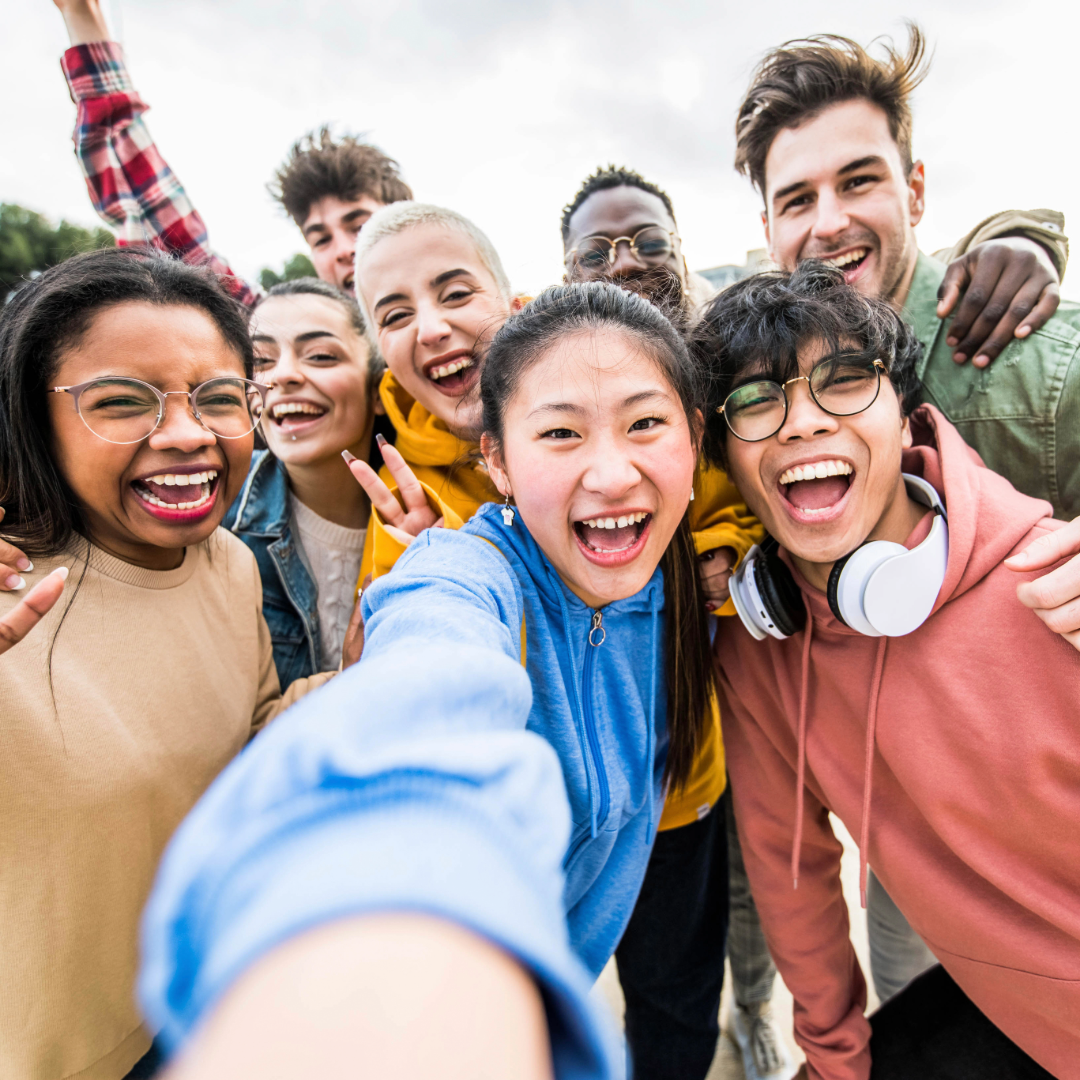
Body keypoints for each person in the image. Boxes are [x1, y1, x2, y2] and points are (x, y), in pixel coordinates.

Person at [139, 281, 716, 1077]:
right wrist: (382, 918)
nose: (614, 474)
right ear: (498, 462)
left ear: (695, 437)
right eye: (559, 433)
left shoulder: (680, 573)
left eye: (646, 424)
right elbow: (427, 691)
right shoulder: (461, 575)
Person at [732, 24, 1080, 1000]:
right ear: (766, 225)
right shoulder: (751, 384)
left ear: (915, 190)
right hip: (905, 859)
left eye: (860, 182)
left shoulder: (1033, 358)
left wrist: (1027, 233)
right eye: (797, 198)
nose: (829, 220)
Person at [692, 261, 1079, 1079]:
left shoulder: (1055, 585)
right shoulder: (760, 656)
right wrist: (835, 1059)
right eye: (757, 401)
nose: (801, 423)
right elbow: (791, 878)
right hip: (1013, 1019)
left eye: (844, 379)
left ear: (906, 415)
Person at [0, 247, 338, 1080]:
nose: (189, 434)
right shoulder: (10, 597)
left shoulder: (229, 566)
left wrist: (348, 685)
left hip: (202, 1016)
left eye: (221, 398)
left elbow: (240, 747)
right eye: (120, 402)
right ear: (33, 420)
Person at [561, 165, 787, 1080]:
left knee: (761, 890)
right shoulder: (547, 370)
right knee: (658, 943)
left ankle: (760, 1013)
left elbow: (753, 481)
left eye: (650, 239)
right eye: (599, 248)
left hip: (747, 699)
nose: (628, 261)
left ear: (683, 249)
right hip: (630, 747)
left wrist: (723, 545)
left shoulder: (727, 353)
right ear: (566, 270)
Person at [51, 0, 412, 301]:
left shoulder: (466, 315)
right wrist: (80, 15)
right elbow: (165, 232)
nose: (344, 250)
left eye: (361, 225)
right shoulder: (283, 336)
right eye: (320, 239)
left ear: (406, 223)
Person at [224, 278, 391, 684]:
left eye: (319, 356)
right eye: (261, 360)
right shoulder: (213, 524)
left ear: (379, 390)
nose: (283, 375)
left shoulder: (441, 514)